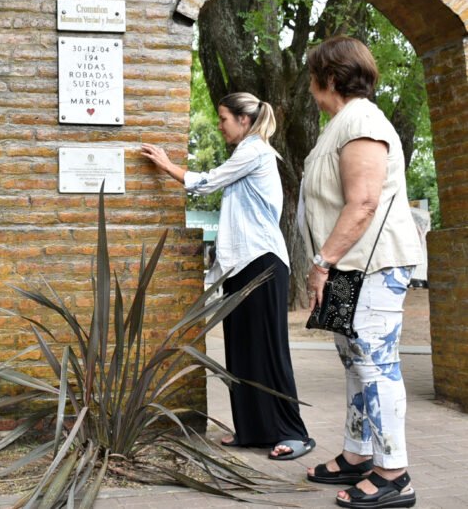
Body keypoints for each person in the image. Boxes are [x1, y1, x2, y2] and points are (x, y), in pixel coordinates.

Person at [141, 92, 315, 461]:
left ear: (244, 120)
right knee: (242, 348)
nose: (220, 125)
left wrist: (167, 165)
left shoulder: (255, 151)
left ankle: (294, 432)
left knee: (268, 350)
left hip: (263, 263)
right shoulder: (246, 153)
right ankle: (254, 430)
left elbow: (207, 181)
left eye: (223, 119)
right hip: (242, 265)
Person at [302, 36, 421, 509]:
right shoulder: (342, 123)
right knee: (355, 362)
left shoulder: (363, 121)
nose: (310, 88)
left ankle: (394, 474)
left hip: (370, 263)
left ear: (329, 78)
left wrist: (321, 262)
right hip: (349, 265)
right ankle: (358, 455)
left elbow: (364, 202)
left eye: (313, 77)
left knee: (376, 364)